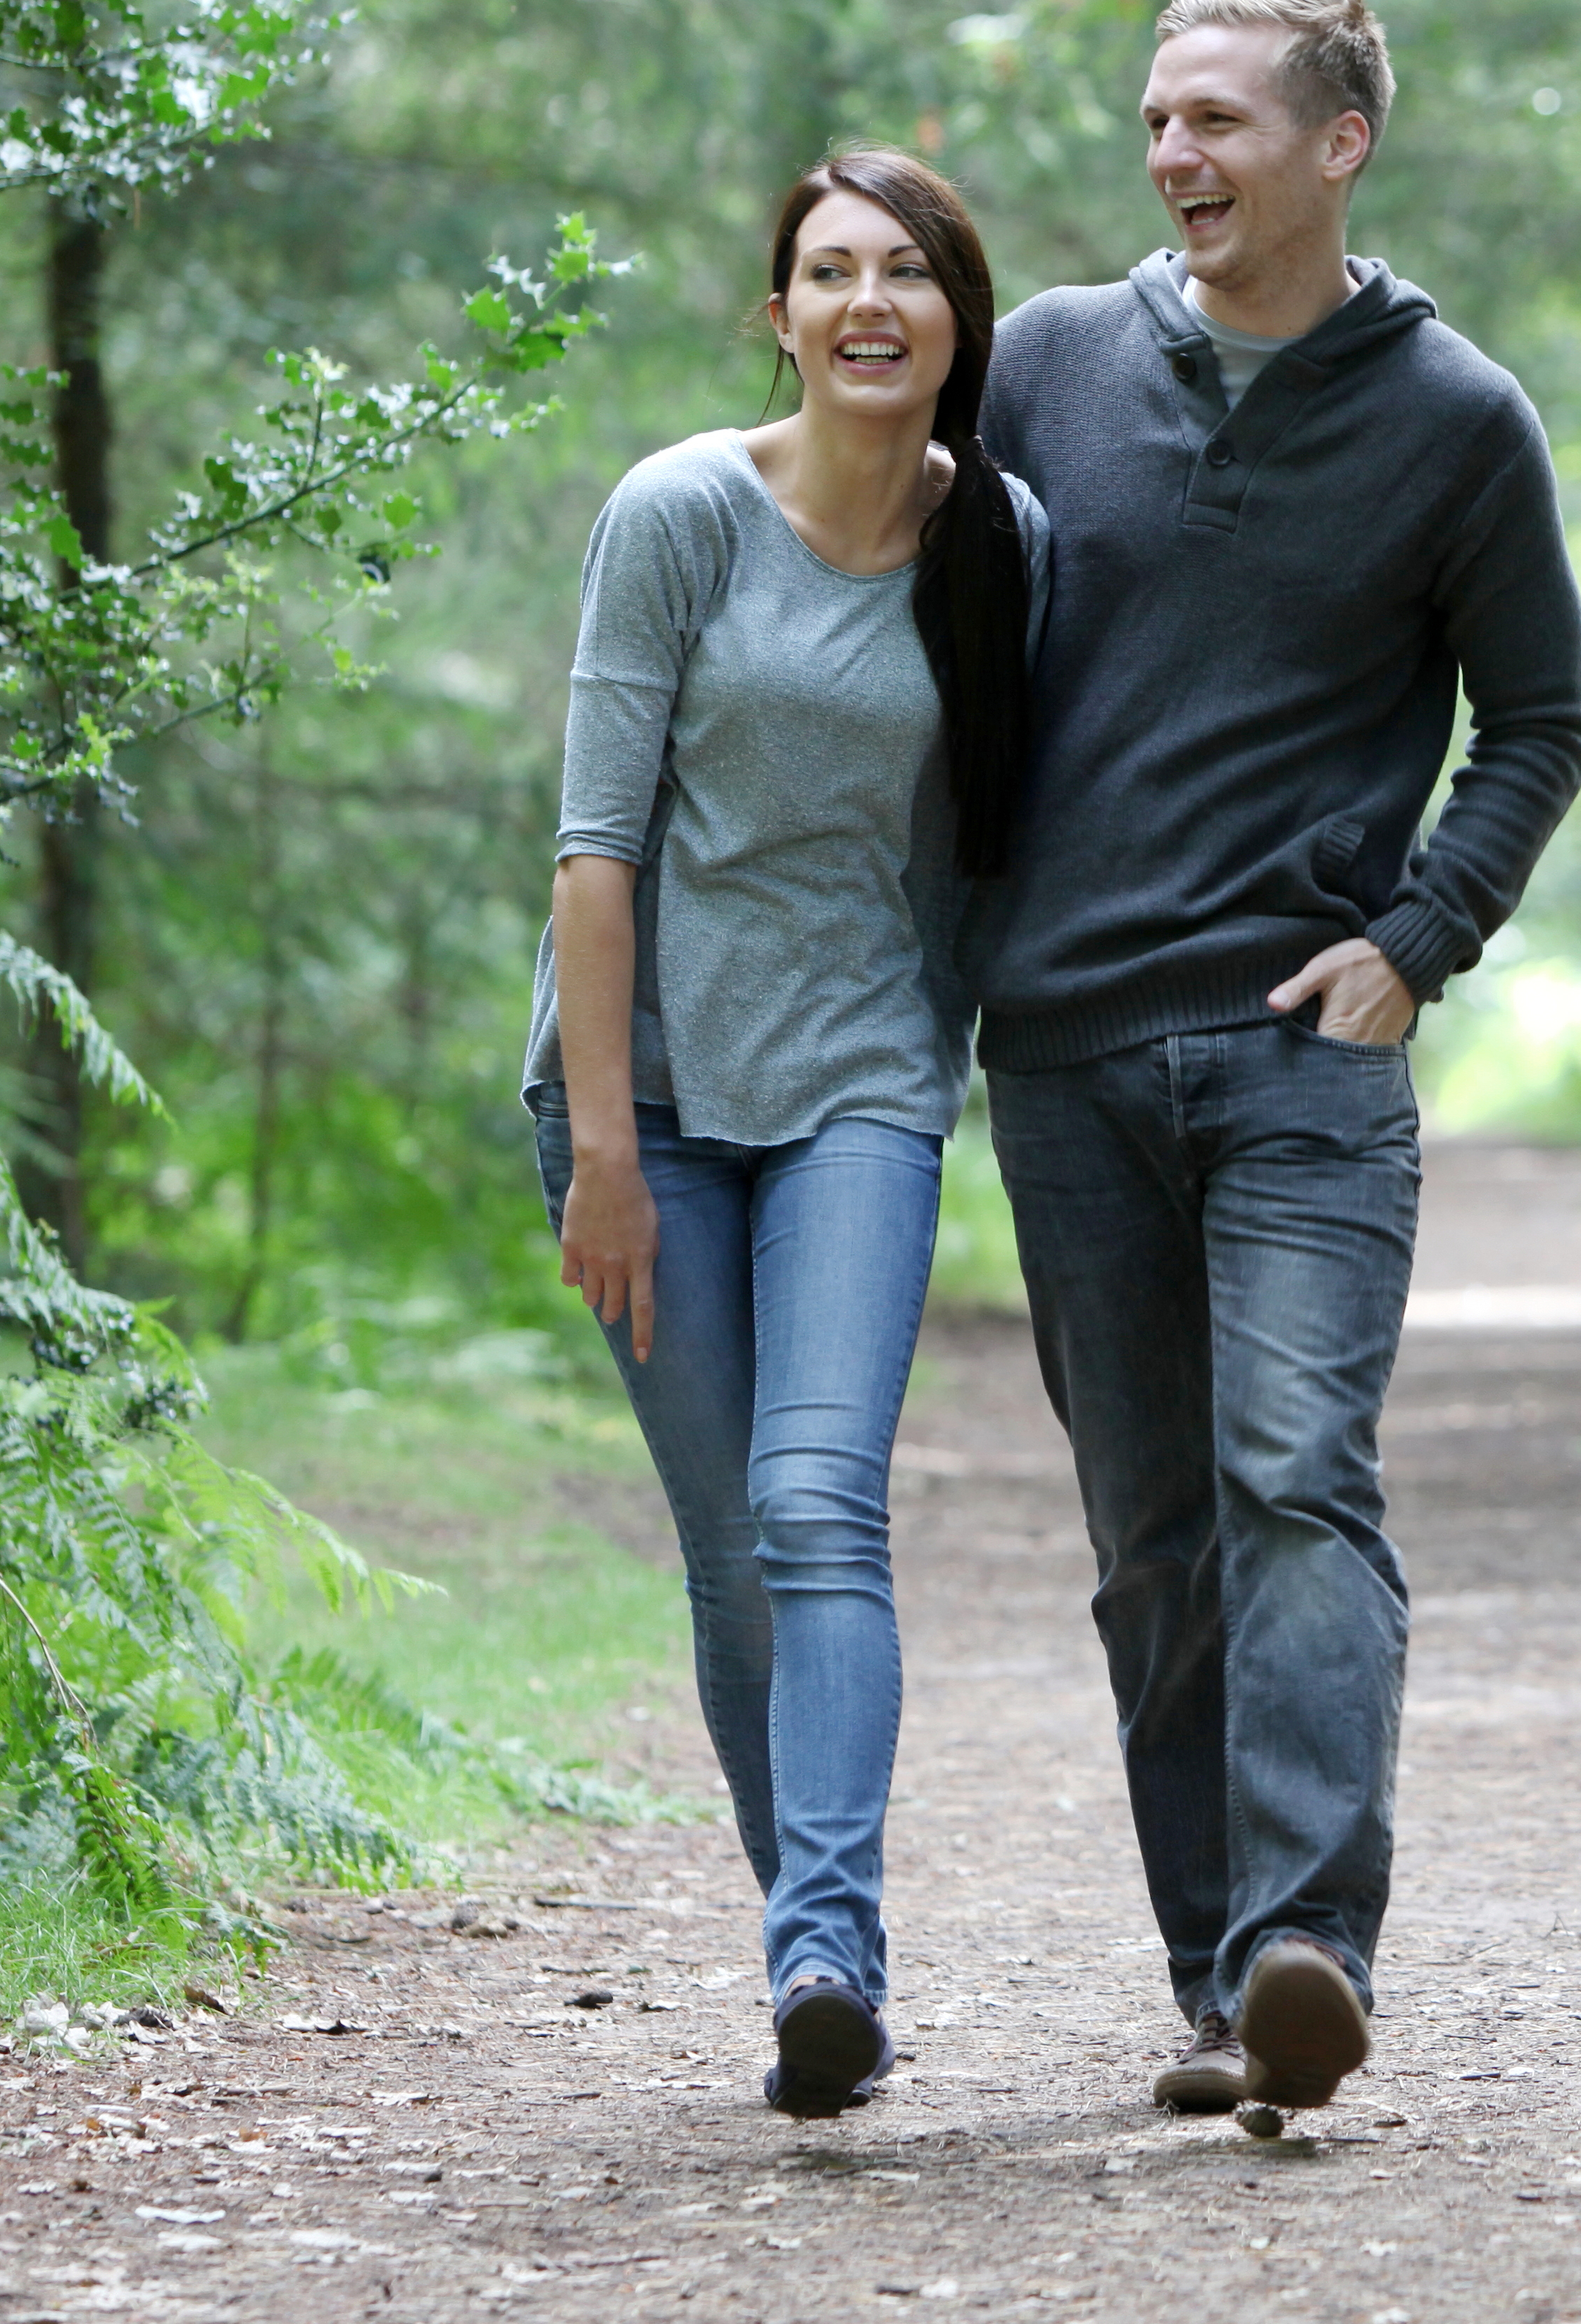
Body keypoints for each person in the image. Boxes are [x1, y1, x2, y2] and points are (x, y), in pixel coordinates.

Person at [974, 0, 1581, 2114]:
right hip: (1059, 1052)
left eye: (1223, 120)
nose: (1176, 157)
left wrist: (1421, 938)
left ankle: (1310, 1933)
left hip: (1306, 1059)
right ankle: (1218, 1980)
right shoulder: (1047, 364)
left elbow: (1541, 724)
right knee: (1150, 1532)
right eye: (1158, 119)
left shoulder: (1454, 420)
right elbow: (875, 545)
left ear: (1340, 146)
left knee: (1293, 1478)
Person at [523, 146, 1042, 2121]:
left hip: (858, 1087)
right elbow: (594, 846)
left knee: (821, 1506)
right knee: (732, 1558)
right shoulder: (677, 514)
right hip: (637, 1094)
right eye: (829, 272)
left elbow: (1016, 825)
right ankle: (811, 1938)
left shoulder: (1003, 542)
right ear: (781, 316)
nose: (868, 303)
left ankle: (826, 1946)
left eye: (906, 271)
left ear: (953, 318)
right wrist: (600, 1150)